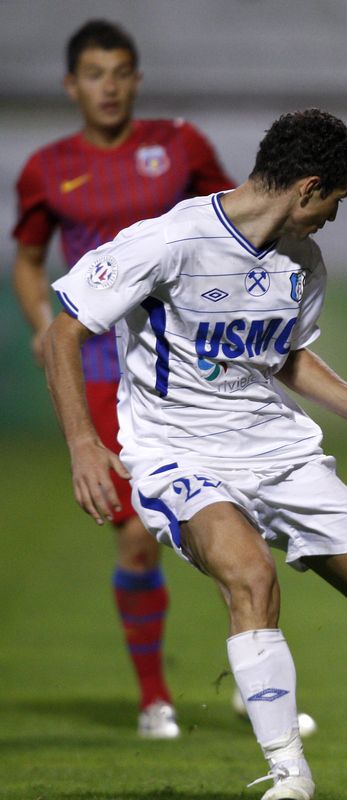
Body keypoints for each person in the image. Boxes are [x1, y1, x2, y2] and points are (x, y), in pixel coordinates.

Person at [43, 108, 347, 800]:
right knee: (250, 577)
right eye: (337, 202)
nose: (334, 219)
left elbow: (283, 355)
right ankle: (289, 773)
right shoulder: (168, 240)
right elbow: (62, 334)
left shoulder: (302, 260)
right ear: (309, 187)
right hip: (178, 453)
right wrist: (84, 442)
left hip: (278, 451)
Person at [9, 18, 233, 739]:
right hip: (104, 370)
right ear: (72, 85)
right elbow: (27, 258)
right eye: (95, 74)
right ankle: (154, 699)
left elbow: (235, 221)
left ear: (137, 79)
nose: (109, 86)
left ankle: (256, 674)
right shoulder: (46, 167)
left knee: (235, 519)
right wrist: (46, 328)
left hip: (187, 365)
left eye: (121, 72)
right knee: (137, 538)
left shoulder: (180, 147)